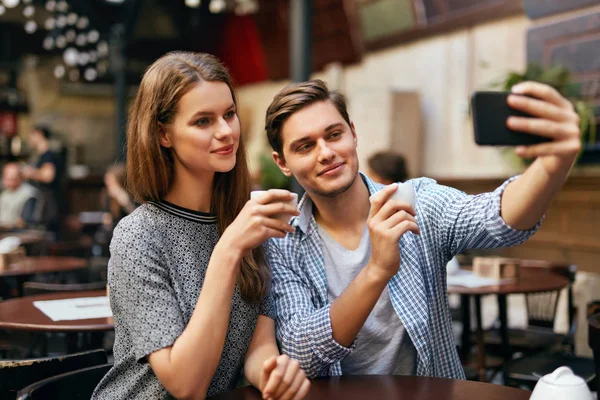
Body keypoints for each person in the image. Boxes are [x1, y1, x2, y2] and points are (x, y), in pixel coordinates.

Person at [263, 79, 581, 379]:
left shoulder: (415, 200)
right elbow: (299, 355)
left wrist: (553, 165)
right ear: (282, 163)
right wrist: (376, 271)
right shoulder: (283, 242)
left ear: (353, 134)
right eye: (305, 146)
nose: (326, 152)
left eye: (334, 135)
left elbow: (492, 219)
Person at [91, 52, 309, 400]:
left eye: (229, 114)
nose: (226, 132)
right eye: (203, 121)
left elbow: (258, 344)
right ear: (163, 134)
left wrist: (271, 373)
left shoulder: (244, 220)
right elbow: (186, 385)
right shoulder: (138, 236)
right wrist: (228, 249)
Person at [22, 125, 64, 235]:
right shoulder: (43, 156)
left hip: (50, 205)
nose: (29, 139)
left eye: (31, 135)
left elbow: (48, 176)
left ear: (39, 134)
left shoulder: (48, 155)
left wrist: (30, 173)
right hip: (47, 204)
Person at [0, 162, 41, 229]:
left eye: (12, 178)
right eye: (6, 178)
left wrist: (6, 226)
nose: (7, 181)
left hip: (19, 235)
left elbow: (24, 222)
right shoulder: (4, 194)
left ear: (20, 177)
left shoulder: (29, 194)